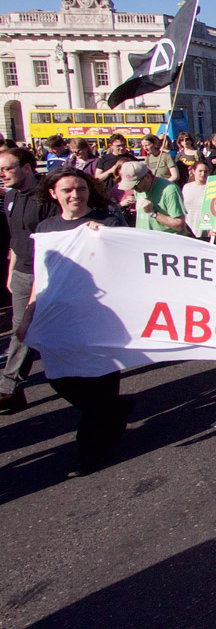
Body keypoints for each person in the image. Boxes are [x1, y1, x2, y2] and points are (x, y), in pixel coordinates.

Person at [24, 168, 131, 475]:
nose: (75, 195)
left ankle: (90, 451)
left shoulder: (106, 221)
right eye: (67, 190)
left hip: (102, 319)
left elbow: (128, 263)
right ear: (53, 194)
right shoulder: (46, 227)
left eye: (81, 188)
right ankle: (115, 412)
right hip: (62, 318)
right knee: (61, 378)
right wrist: (28, 314)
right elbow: (41, 276)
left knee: (100, 383)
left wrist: (108, 239)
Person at [1, 148, 58, 413]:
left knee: (31, 328)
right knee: (20, 329)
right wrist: (12, 269)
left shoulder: (45, 197)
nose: (2, 174)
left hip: (46, 273)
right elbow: (15, 236)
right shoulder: (10, 196)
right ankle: (11, 389)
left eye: (7, 168)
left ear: (26, 168)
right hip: (22, 272)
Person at [116, 161, 188, 234]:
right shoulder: (139, 189)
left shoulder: (170, 190)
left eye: (136, 184)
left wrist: (153, 213)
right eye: (131, 186)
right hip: (144, 240)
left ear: (147, 176)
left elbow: (179, 224)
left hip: (164, 242)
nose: (134, 188)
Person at [182, 160, 211, 238]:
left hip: (205, 228)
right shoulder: (186, 187)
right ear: (193, 171)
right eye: (200, 171)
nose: (203, 174)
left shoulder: (211, 187)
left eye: (206, 171)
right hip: (189, 226)